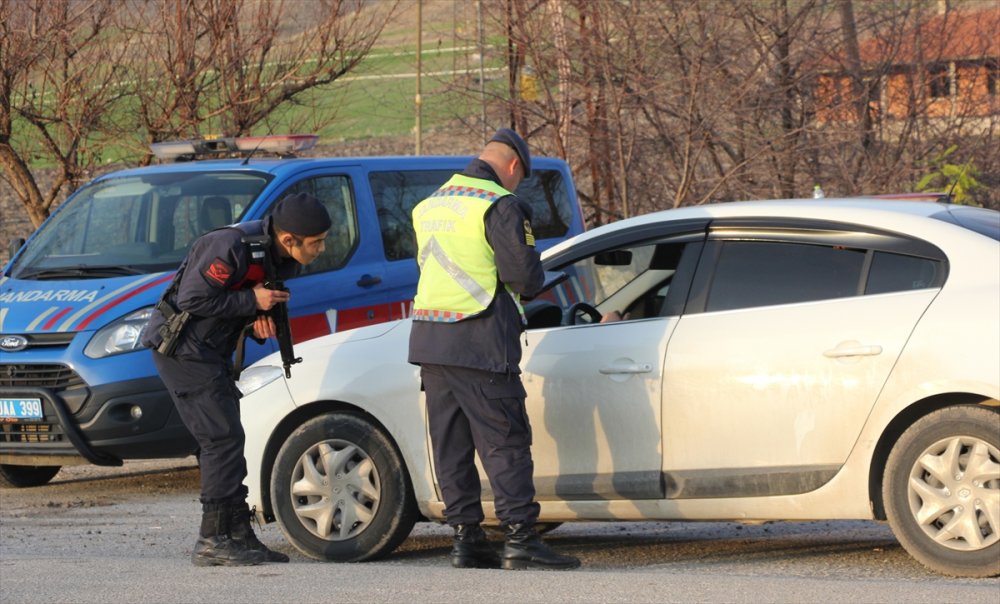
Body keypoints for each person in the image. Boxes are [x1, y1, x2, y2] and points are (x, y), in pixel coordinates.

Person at [408, 128, 580, 571]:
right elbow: (523, 277)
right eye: (519, 177)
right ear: (513, 166)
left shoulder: (430, 204)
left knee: (451, 446)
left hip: (431, 340)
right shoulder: (500, 205)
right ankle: (521, 539)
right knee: (505, 442)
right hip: (480, 340)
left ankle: (467, 542)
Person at [142, 192, 330, 567]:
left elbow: (239, 299)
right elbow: (194, 299)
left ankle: (238, 535)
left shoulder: (276, 255)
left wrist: (254, 318)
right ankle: (213, 539)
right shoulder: (230, 246)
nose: (323, 249)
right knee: (220, 439)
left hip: (209, 351)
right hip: (182, 351)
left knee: (229, 438)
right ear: (289, 239)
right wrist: (251, 303)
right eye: (317, 242)